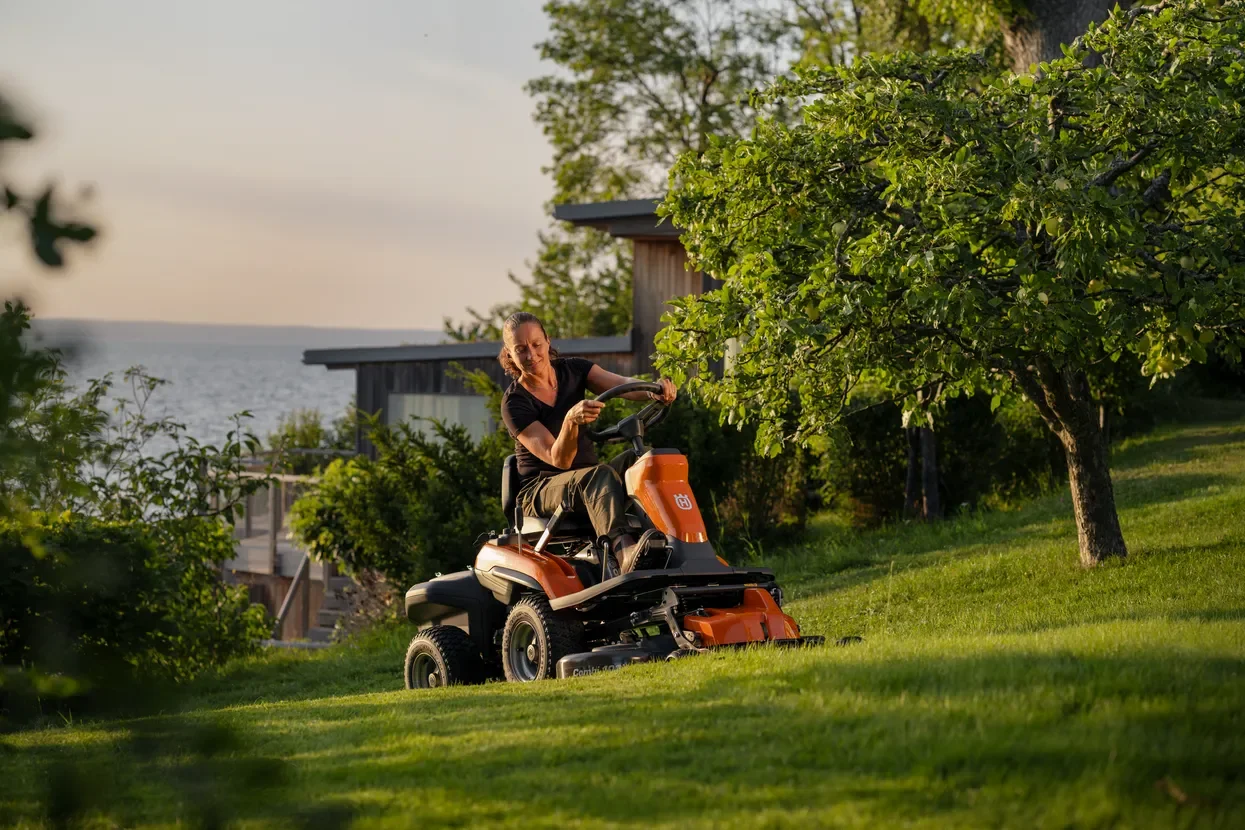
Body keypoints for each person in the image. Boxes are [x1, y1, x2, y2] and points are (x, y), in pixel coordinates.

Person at [498, 311, 677, 575]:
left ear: (547, 340)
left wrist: (653, 389)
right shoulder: (515, 403)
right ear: (510, 354)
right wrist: (570, 421)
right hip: (541, 487)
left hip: (587, 481)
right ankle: (623, 551)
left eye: (536, 345)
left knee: (645, 461)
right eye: (521, 349)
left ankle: (674, 541)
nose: (531, 354)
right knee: (599, 475)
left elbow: (623, 384)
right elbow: (559, 459)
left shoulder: (574, 369)